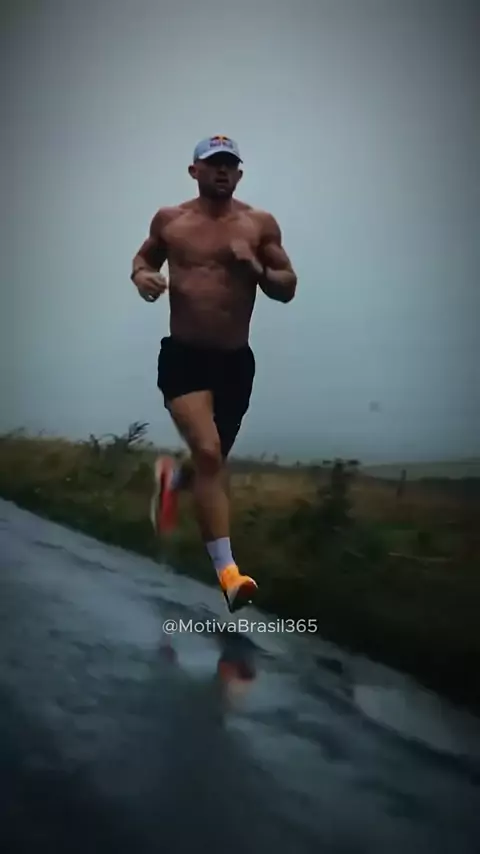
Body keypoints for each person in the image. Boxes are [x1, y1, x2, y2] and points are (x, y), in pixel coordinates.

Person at [130, 135, 297, 612]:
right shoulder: (171, 221)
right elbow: (143, 259)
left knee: (211, 460)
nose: (222, 170)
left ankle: (171, 481)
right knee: (208, 453)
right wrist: (143, 277)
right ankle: (229, 576)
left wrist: (257, 269)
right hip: (183, 357)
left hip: (234, 363)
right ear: (195, 171)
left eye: (230, 164)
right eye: (213, 163)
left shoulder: (259, 224)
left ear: (239, 173)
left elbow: (287, 286)